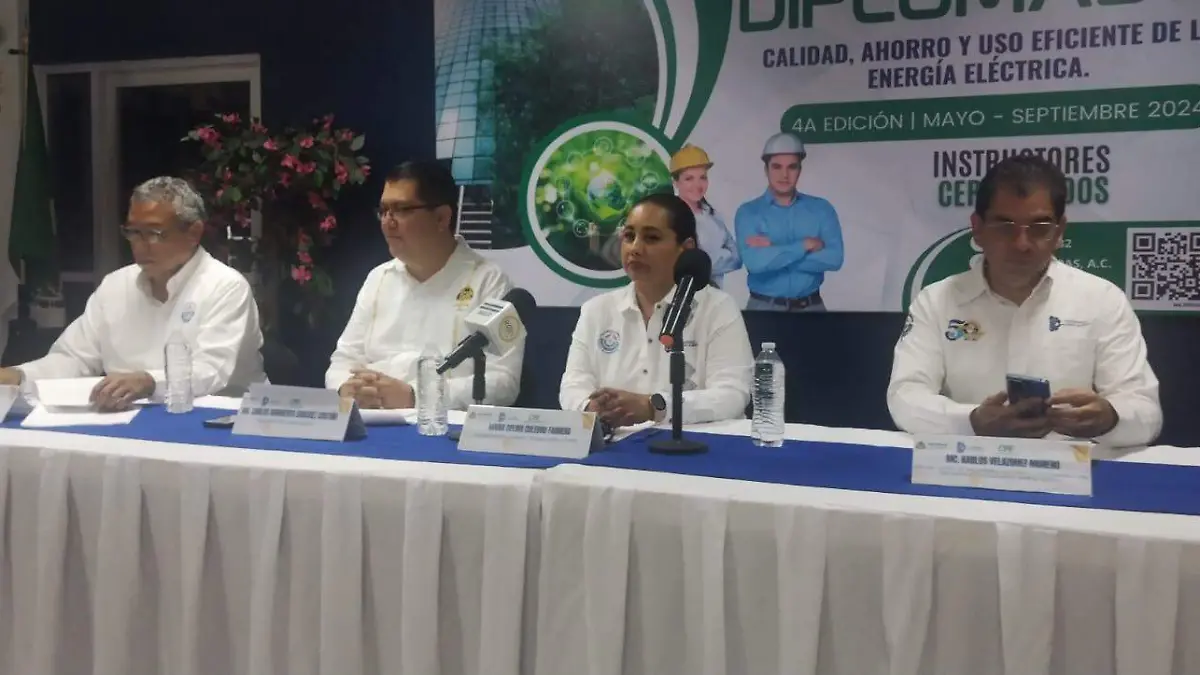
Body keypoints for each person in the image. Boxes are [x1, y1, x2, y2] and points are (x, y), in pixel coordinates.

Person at [887, 154, 1161, 448]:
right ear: (977, 228)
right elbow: (905, 397)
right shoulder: (935, 301)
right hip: (966, 460)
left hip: (1072, 466)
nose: (1022, 244)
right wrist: (972, 421)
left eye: (1039, 227)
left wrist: (1110, 418)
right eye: (1005, 226)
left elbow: (1146, 412)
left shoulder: (1102, 300)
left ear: (1059, 231)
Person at [0, 176, 266, 410]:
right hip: (126, 418)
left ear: (194, 233)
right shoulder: (116, 286)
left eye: (154, 233)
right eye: (133, 232)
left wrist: (148, 381)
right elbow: (73, 358)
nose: (139, 245)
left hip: (220, 419)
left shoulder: (225, 286)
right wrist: (19, 376)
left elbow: (210, 370)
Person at [326, 160, 524, 409]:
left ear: (441, 218)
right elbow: (342, 361)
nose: (387, 222)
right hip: (372, 420)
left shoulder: (492, 281)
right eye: (384, 210)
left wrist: (417, 396)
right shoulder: (378, 279)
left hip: (442, 425)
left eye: (400, 210)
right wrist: (348, 388)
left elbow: (504, 381)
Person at [559, 192, 753, 427]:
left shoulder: (717, 308)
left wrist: (653, 407)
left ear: (686, 247)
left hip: (697, 443)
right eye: (629, 236)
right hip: (616, 442)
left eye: (651, 238)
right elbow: (573, 385)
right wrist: (590, 407)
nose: (635, 248)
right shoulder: (596, 310)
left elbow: (732, 395)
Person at [735, 131, 843, 311]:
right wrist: (804, 246)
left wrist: (775, 250)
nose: (784, 175)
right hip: (763, 310)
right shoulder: (748, 213)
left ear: (800, 169)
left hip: (812, 309)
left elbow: (834, 259)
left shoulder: (822, 209)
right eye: (777, 167)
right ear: (766, 170)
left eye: (792, 167)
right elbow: (755, 263)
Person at [670, 144, 741, 287]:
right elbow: (673, 264)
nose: (698, 185)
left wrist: (700, 261)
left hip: (715, 296)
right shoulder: (669, 218)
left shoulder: (713, 216)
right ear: (676, 182)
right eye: (689, 178)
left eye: (702, 177)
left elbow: (736, 258)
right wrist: (720, 256)